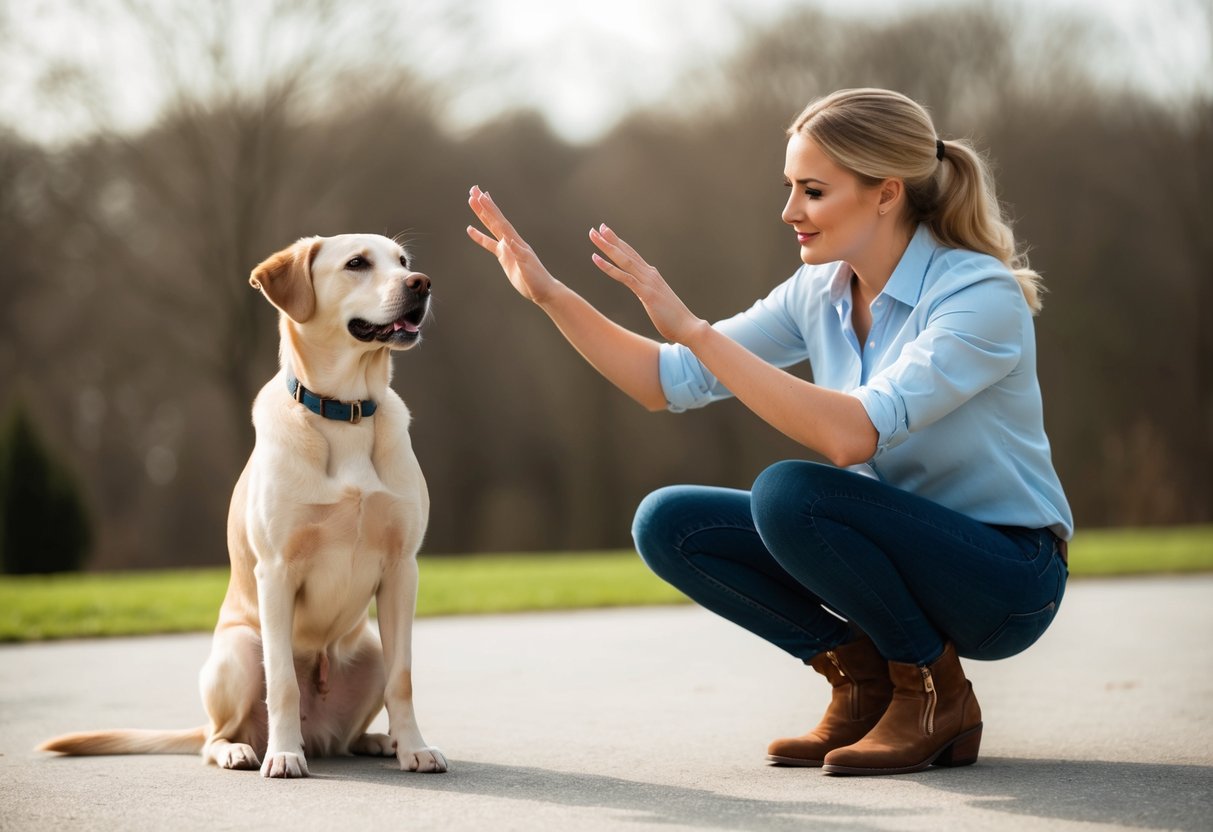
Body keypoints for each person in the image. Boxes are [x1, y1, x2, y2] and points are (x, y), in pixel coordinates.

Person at [465, 87, 1071, 776]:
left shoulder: (976, 295)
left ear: (885, 193)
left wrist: (692, 328)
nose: (789, 211)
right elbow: (665, 382)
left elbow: (852, 437)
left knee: (793, 493)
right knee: (670, 522)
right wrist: (549, 295)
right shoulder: (820, 289)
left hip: (1005, 578)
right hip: (899, 555)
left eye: (811, 191)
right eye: (789, 188)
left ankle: (935, 696)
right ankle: (864, 684)